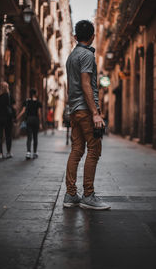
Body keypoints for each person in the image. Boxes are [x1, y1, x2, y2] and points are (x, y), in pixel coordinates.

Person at [63, 20, 110, 210]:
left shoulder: (71, 56)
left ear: (75, 37)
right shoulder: (87, 56)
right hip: (85, 110)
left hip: (75, 109)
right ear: (92, 37)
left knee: (76, 150)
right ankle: (88, 195)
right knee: (94, 150)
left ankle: (70, 194)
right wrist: (95, 114)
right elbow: (85, 84)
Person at [17, 88, 42, 159]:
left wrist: (17, 117)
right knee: (35, 137)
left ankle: (28, 152)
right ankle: (35, 152)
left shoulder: (27, 101)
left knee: (29, 137)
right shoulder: (38, 102)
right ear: (35, 94)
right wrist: (40, 123)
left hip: (29, 120)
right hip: (35, 120)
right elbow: (39, 113)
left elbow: (23, 111)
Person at [0, 82, 15, 159]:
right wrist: (14, 117)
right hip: (7, 118)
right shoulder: (9, 96)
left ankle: (0, 154)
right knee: (8, 136)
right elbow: (13, 107)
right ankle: (8, 153)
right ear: (7, 88)